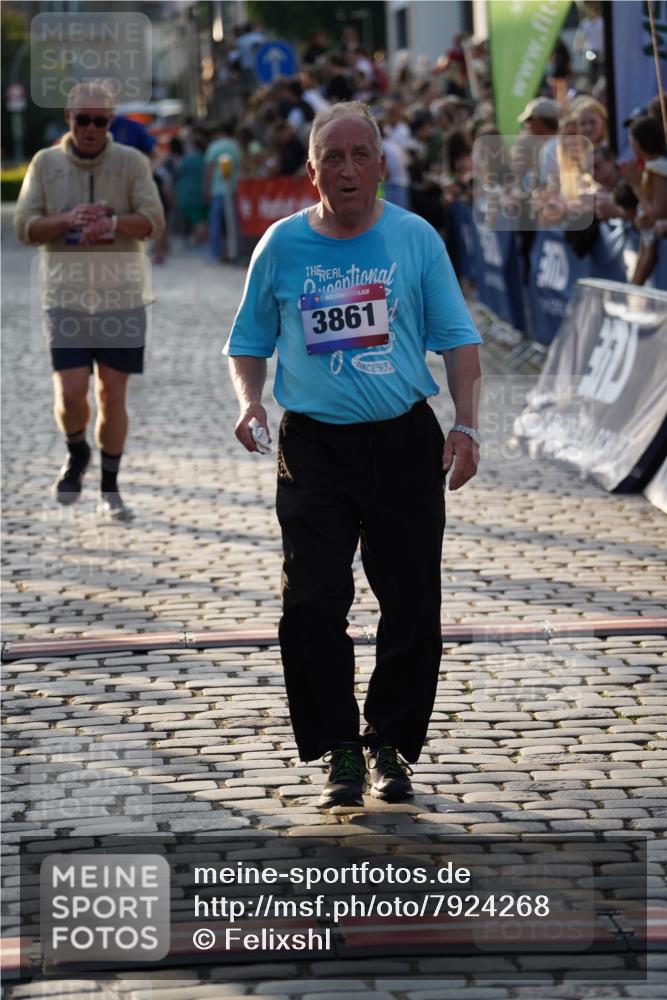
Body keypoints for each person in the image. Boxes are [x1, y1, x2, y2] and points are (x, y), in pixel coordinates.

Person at [224, 102, 481, 809]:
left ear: (380, 165)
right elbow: (247, 343)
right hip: (314, 447)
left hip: (403, 440)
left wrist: (468, 426)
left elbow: (458, 339)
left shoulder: (414, 238)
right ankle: (339, 746)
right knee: (310, 602)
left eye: (359, 154)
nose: (345, 169)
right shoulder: (279, 247)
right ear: (310, 172)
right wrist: (251, 401)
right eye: (330, 157)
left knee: (410, 602)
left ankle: (390, 744)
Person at [14, 81, 165, 521]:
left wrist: (115, 222)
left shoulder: (132, 163)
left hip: (123, 297)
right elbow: (24, 226)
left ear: (111, 122)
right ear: (68, 118)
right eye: (84, 120)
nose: (91, 128)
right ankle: (77, 450)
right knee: (72, 392)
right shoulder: (44, 164)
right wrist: (65, 220)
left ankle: (110, 488)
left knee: (112, 394)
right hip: (66, 297)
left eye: (101, 120)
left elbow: (154, 222)